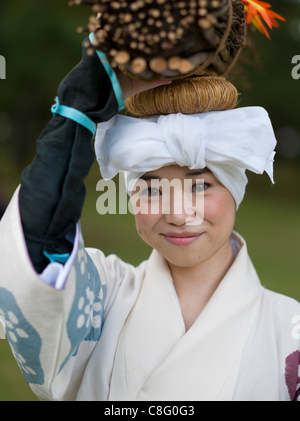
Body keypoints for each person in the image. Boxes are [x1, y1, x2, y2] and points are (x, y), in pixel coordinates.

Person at [0, 36, 299, 402]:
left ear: (235, 191)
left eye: (201, 187)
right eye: (153, 190)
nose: (177, 214)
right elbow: (33, 250)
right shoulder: (102, 297)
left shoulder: (289, 330)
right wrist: (79, 110)